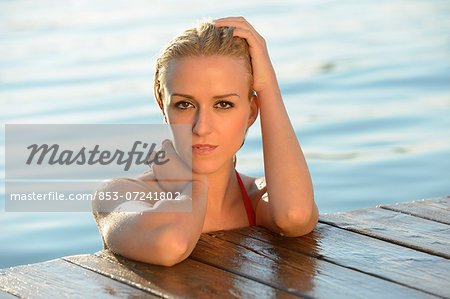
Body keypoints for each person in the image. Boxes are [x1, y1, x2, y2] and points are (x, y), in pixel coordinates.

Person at [92, 16, 318, 267]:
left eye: (223, 104)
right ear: (162, 106)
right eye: (184, 104)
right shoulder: (120, 194)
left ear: (252, 111)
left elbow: (295, 217)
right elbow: (171, 244)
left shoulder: (259, 197)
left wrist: (268, 88)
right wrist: (195, 185)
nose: (201, 127)